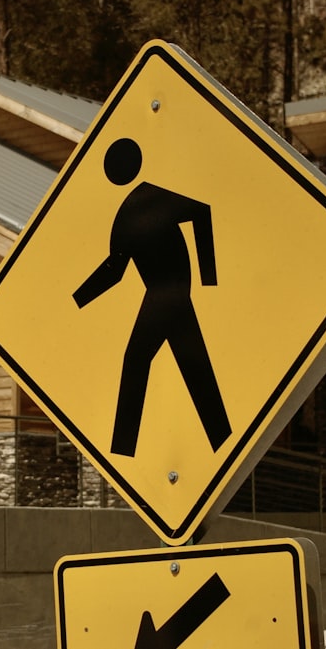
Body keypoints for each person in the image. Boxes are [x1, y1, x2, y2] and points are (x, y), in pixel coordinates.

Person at [73, 137, 232, 457]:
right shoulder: (127, 214)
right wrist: (77, 299)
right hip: (164, 294)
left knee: (137, 360)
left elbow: (201, 212)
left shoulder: (149, 198)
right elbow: (115, 270)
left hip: (168, 293)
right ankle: (222, 439)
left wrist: (209, 278)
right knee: (193, 365)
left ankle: (123, 449)